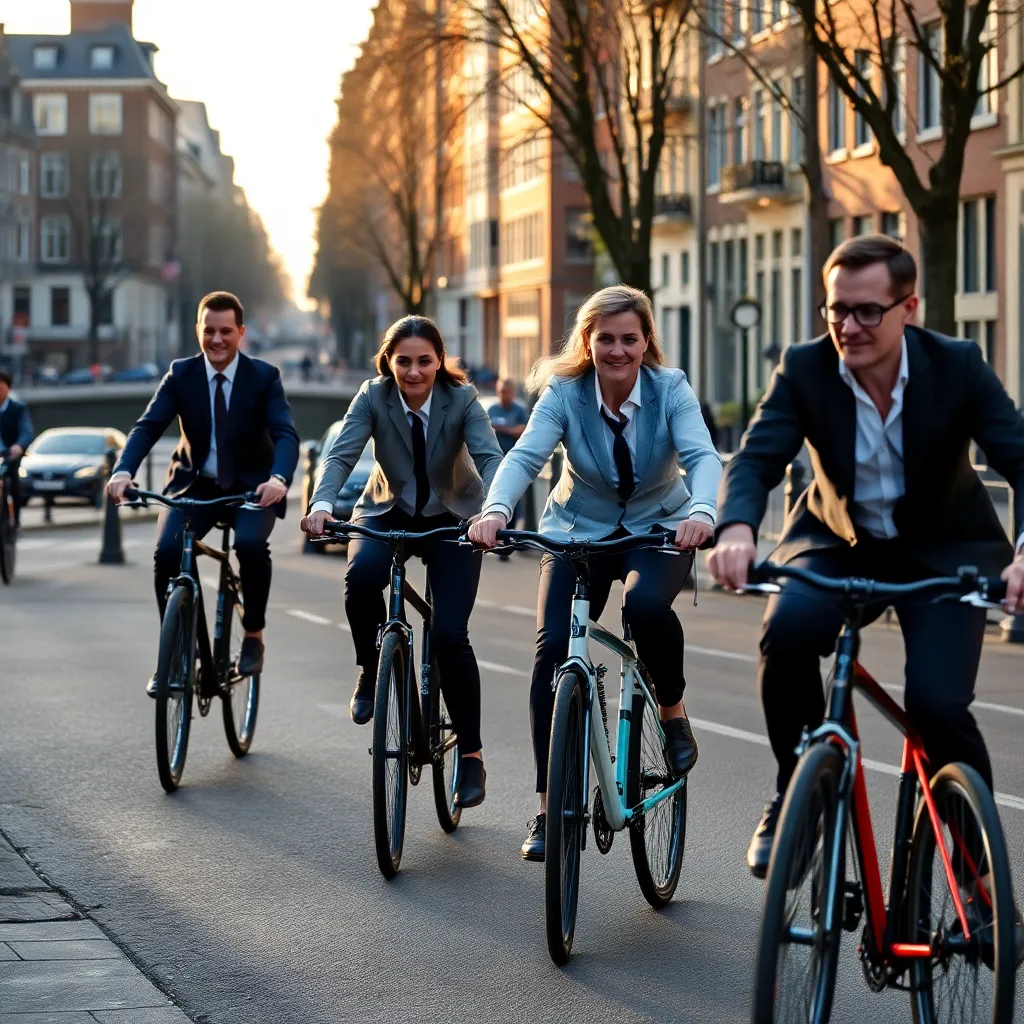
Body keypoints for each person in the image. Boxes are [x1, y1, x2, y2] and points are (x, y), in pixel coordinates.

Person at [708, 235, 1024, 882]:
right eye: (836, 310)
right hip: (835, 541)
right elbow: (758, 456)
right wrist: (737, 528)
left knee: (937, 706)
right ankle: (798, 790)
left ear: (909, 307)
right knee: (788, 632)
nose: (848, 327)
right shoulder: (804, 367)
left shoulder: (958, 364)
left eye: (867, 311)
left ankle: (979, 873)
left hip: (944, 551)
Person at [469, 285, 722, 861]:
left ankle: (673, 714)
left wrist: (703, 512)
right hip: (577, 531)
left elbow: (702, 456)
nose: (616, 350)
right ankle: (544, 810)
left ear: (645, 342)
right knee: (551, 648)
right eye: (604, 338)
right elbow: (526, 457)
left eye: (628, 339)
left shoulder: (671, 388)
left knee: (645, 609)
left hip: (659, 529)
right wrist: (495, 511)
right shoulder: (564, 392)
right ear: (587, 341)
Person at [301, 315, 504, 810]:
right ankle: (371, 669)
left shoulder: (462, 400)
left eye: (424, 362)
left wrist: (496, 511)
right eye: (403, 362)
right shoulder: (372, 396)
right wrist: (322, 503)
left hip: (454, 517)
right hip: (386, 510)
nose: (413, 373)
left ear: (439, 361)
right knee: (360, 578)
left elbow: (492, 457)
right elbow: (340, 455)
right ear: (388, 362)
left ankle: (471, 756)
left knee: (451, 634)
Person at [108, 291, 300, 696]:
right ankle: (176, 652)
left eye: (225, 331)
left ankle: (252, 634)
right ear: (198, 330)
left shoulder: (264, 377)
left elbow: (285, 433)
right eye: (208, 331)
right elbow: (147, 427)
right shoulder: (181, 374)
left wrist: (280, 478)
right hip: (194, 484)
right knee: (166, 554)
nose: (216, 340)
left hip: (253, 486)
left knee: (249, 546)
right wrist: (123, 471)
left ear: (241, 333)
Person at [487, 378, 530, 556]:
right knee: (496, 497)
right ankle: (498, 537)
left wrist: (501, 428)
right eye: (501, 391)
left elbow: (521, 430)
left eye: (507, 391)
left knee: (514, 499)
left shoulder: (519, 410)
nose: (503, 395)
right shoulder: (492, 409)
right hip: (496, 461)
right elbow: (486, 430)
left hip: (515, 462)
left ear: (512, 392)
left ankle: (509, 538)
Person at [0, 369, 34, 528]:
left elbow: (26, 430)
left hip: (9, 455)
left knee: (13, 483)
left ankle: (15, 520)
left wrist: (18, 446)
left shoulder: (17, 409)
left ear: (9, 389)